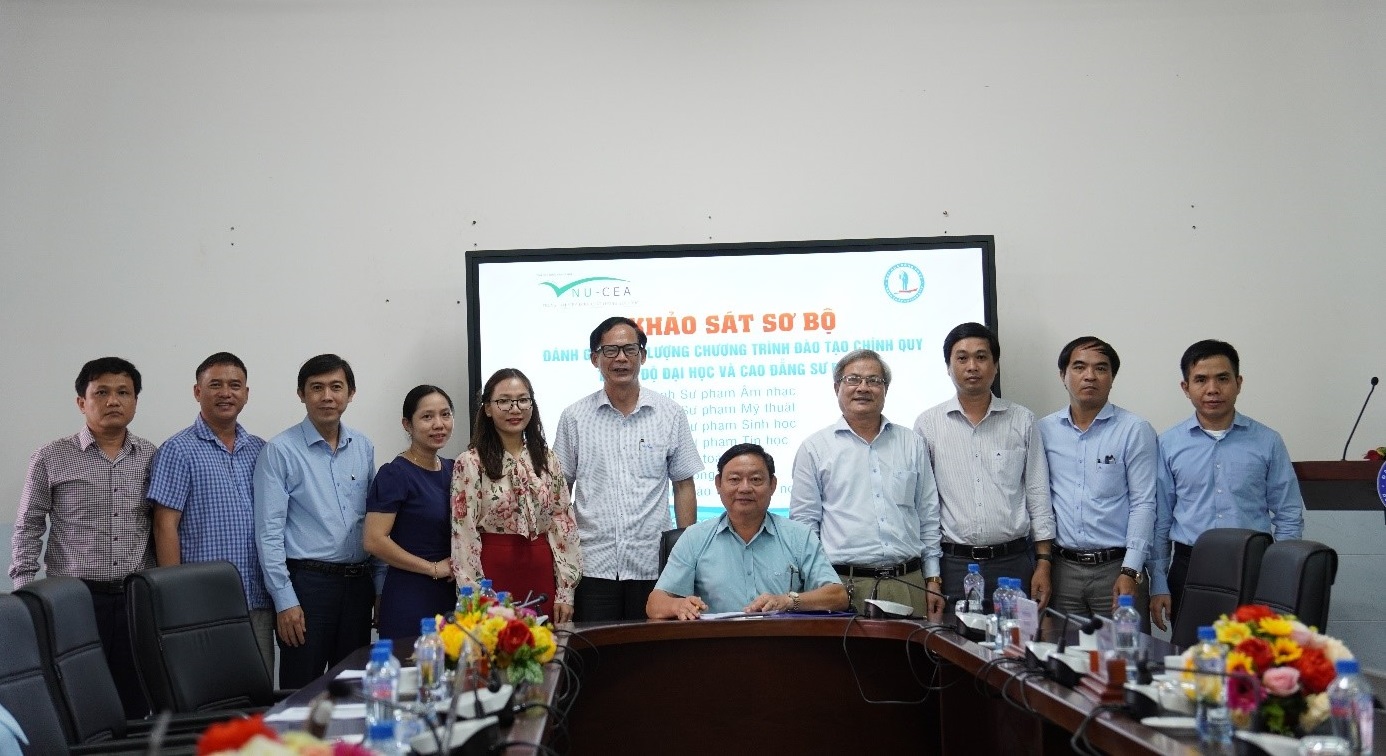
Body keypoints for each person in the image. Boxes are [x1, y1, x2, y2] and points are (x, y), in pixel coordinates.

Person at [9, 357, 154, 718]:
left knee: (135, 698)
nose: (113, 401)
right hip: (73, 599)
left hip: (135, 597)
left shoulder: (151, 456)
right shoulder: (51, 456)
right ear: (81, 402)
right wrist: (27, 595)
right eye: (101, 392)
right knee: (77, 699)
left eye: (123, 392)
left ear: (135, 401)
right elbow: (28, 526)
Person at [553, 317, 703, 621]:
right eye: (610, 351)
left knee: (650, 649)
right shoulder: (574, 417)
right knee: (597, 648)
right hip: (592, 565)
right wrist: (562, 560)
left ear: (642, 356)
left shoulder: (670, 413)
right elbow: (560, 492)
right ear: (595, 359)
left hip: (653, 566)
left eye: (629, 349)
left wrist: (685, 558)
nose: (620, 358)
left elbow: (683, 485)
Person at [1149, 340, 1305, 629]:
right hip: (1190, 565)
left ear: (1238, 383)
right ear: (1186, 387)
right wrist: (1158, 582)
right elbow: (1160, 520)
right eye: (1201, 380)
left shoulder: (1268, 441)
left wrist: (1281, 578)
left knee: (1252, 651)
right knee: (1192, 650)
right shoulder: (1168, 444)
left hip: (1254, 566)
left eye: (1222, 378)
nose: (1212, 389)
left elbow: (1288, 514)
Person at [789, 350, 943, 618]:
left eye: (874, 380)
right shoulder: (814, 449)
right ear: (837, 388)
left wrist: (933, 579)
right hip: (843, 586)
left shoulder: (912, 443)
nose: (863, 387)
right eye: (853, 379)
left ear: (885, 390)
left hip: (909, 583)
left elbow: (928, 516)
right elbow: (805, 526)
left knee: (914, 648)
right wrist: (821, 584)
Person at [254, 354, 377, 688]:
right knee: (301, 690)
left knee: (352, 688)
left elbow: (373, 521)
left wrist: (379, 588)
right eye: (317, 388)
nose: (327, 396)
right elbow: (268, 532)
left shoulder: (363, 447)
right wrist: (285, 600)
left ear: (350, 393)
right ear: (301, 394)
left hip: (358, 586)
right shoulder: (280, 450)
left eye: (336, 387)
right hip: (308, 587)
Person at [914, 322, 1055, 611]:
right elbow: (925, 505)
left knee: (1016, 639)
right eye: (962, 358)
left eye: (981, 357)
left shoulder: (1022, 420)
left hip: (1015, 563)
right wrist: (933, 576)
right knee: (954, 640)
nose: (972, 366)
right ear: (948, 366)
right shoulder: (928, 424)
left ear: (996, 365)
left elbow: (1038, 493)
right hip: (954, 566)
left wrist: (1043, 562)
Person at [148, 352, 274, 674]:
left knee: (258, 691)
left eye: (235, 385)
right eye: (215, 385)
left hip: (256, 598)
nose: (226, 393)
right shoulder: (178, 449)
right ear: (197, 391)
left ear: (247, 393)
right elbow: (164, 526)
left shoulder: (260, 449)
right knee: (208, 691)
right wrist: (175, 597)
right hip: (201, 603)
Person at [1037, 337, 1157, 632]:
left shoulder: (1134, 430)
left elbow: (1144, 503)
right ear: (1063, 375)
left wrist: (1131, 569)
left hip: (1116, 569)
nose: (1090, 376)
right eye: (1079, 367)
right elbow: (1038, 498)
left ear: (1112, 378)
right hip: (1063, 571)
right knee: (1064, 655)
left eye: (1101, 368)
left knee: (1125, 655)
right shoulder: (1043, 430)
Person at [649, 443, 847, 620]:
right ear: (718, 484)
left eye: (755, 479)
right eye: (734, 479)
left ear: (773, 485)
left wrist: (788, 601)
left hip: (784, 643)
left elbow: (838, 596)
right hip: (716, 644)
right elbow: (654, 604)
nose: (744, 488)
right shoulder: (694, 538)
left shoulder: (799, 536)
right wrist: (678, 605)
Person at [453, 369, 581, 623]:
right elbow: (463, 534)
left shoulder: (547, 459)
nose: (515, 408)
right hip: (493, 573)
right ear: (488, 409)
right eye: (504, 401)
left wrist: (566, 592)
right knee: (495, 643)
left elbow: (563, 523)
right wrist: (475, 596)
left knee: (544, 645)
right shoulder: (470, 462)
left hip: (541, 569)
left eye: (523, 400)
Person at [365, 385, 458, 640]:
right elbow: (373, 540)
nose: (439, 424)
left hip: (452, 594)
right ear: (407, 424)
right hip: (412, 593)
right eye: (427, 417)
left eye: (445, 414)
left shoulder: (455, 469)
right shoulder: (395, 474)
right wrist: (433, 568)